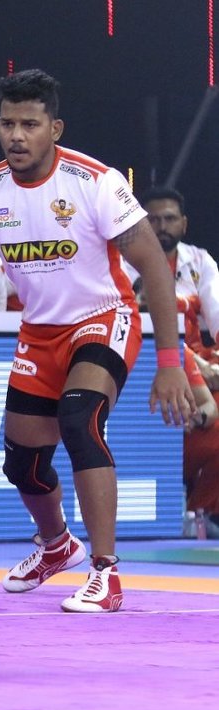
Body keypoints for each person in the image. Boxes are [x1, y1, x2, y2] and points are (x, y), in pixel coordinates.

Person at [0, 69, 194, 613]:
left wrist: (170, 361)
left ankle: (106, 574)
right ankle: (57, 544)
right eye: (7, 124)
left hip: (103, 317)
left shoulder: (95, 182)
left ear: (54, 128)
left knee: (80, 420)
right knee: (23, 465)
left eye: (30, 125)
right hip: (40, 332)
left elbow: (155, 264)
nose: (17, 136)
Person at [131, 187, 219, 534]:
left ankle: (202, 510)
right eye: (153, 220)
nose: (162, 226)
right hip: (152, 363)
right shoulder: (121, 263)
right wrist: (198, 365)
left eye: (169, 219)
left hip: (199, 370)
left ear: (183, 223)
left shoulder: (200, 261)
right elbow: (144, 325)